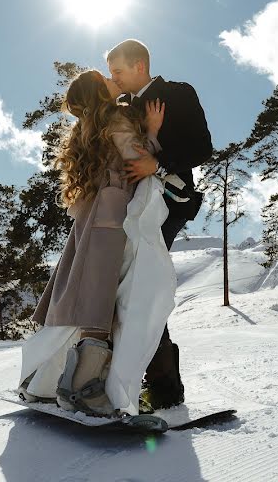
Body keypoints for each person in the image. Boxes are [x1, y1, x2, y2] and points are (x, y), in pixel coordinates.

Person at [19, 69, 170, 417]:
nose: (111, 78)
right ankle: (84, 390)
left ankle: (56, 382)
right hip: (111, 219)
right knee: (102, 300)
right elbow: (136, 158)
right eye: (105, 78)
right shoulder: (115, 118)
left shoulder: (87, 127)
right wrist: (154, 132)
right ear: (100, 91)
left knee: (91, 296)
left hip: (93, 218)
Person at [106, 39, 213, 410]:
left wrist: (160, 165)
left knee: (143, 287)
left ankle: (165, 389)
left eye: (117, 70)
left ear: (139, 65)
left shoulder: (178, 94)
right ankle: (118, 379)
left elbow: (203, 148)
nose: (113, 78)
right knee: (122, 290)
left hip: (168, 203)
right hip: (126, 207)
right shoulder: (121, 106)